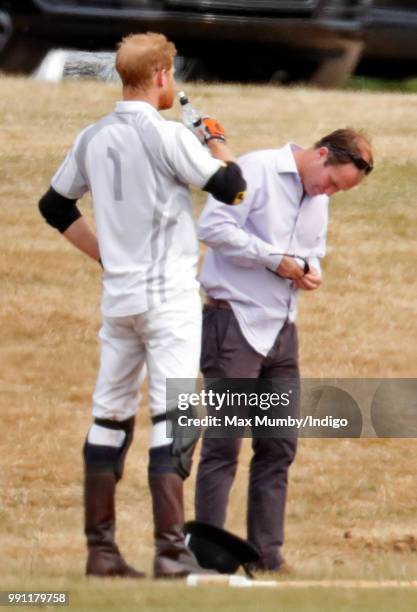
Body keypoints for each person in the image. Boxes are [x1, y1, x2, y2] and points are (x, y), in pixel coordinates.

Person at [38, 32, 246, 579]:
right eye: (170, 74)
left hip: (121, 299)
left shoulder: (92, 136)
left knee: (109, 417)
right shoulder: (168, 134)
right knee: (175, 419)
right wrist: (217, 140)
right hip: (168, 300)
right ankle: (171, 554)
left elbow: (54, 205)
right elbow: (234, 187)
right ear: (160, 76)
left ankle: (101, 552)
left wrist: (107, 257)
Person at [195, 129, 373, 572]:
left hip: (281, 332)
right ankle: (209, 557)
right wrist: (273, 259)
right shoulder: (253, 170)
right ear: (322, 154)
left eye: (340, 191)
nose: (329, 193)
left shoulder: (319, 198)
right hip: (232, 321)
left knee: (278, 447)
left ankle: (267, 557)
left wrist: (312, 271)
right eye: (332, 182)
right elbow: (213, 228)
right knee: (224, 444)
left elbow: (314, 252)